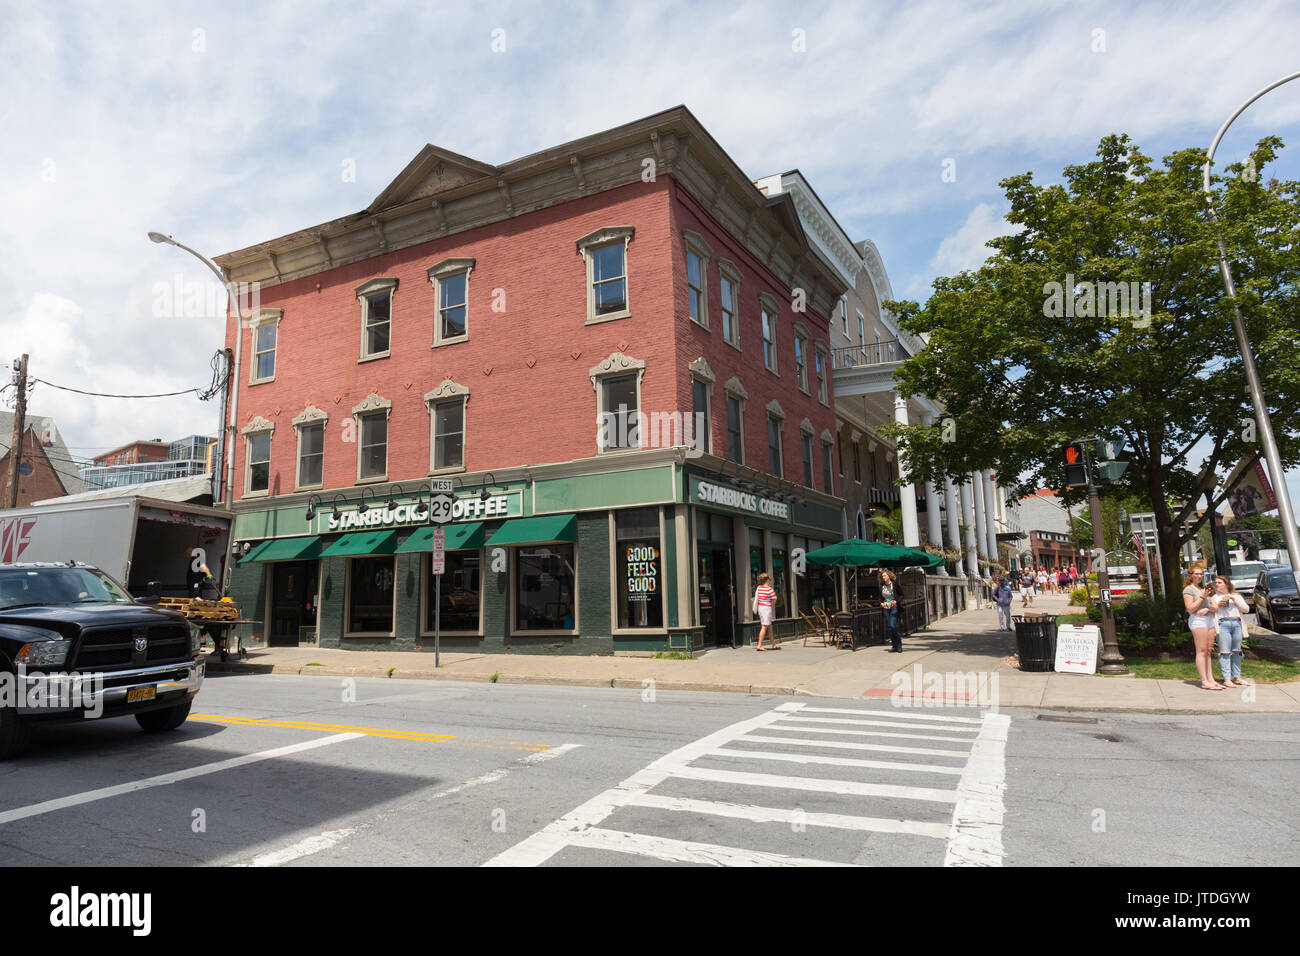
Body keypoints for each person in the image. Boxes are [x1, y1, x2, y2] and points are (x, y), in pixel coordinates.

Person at [1183, 567, 1223, 690]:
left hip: (1209, 618)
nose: (1199, 576)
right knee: (1202, 650)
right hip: (1198, 620)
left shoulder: (1205, 589)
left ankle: (1210, 679)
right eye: (1197, 574)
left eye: (1201, 574)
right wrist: (1201, 597)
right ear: (1190, 575)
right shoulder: (1188, 589)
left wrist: (1208, 608)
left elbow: (1215, 607)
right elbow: (1190, 609)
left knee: (1209, 651)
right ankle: (1204, 681)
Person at [1210, 576, 1249, 687]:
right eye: (1216, 583)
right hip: (1223, 624)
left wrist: (1233, 599)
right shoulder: (1215, 597)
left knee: (1236, 651)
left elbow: (1246, 609)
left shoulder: (1236, 596)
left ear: (1226, 584)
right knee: (1225, 652)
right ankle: (1227, 679)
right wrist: (1218, 605)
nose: (1217, 584)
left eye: (1219, 582)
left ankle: (1237, 677)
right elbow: (1212, 610)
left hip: (1237, 624)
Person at [753, 572, 779, 651]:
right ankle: (759, 645)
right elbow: (774, 600)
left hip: (761, 608)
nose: (770, 581)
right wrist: (776, 597)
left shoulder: (759, 588)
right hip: (766, 609)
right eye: (769, 579)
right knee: (764, 627)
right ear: (767, 580)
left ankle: (773, 644)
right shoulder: (769, 589)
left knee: (769, 627)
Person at [880, 569, 902, 651]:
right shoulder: (882, 586)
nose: (883, 577)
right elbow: (879, 597)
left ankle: (899, 645)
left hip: (894, 607)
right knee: (889, 627)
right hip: (885, 608)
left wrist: (896, 601)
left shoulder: (895, 584)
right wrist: (881, 603)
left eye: (885, 575)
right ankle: (894, 646)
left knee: (893, 625)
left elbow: (901, 595)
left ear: (889, 576)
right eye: (882, 576)